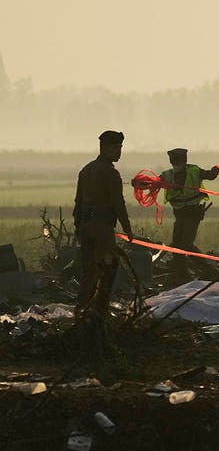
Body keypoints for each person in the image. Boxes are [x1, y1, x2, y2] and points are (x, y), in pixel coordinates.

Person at [73, 130, 134, 320]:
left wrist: (79, 227)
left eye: (121, 148)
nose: (119, 152)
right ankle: (100, 310)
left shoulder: (86, 170)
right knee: (108, 268)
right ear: (104, 149)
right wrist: (128, 229)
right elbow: (118, 204)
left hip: (85, 226)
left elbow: (78, 202)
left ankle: (81, 308)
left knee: (89, 271)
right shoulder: (111, 173)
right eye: (116, 148)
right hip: (102, 228)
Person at [159, 148, 219, 282]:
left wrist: (215, 171)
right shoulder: (167, 176)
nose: (175, 163)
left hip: (193, 214)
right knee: (177, 245)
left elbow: (210, 175)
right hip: (180, 215)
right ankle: (181, 274)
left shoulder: (194, 171)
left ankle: (209, 269)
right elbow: (153, 183)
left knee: (186, 244)